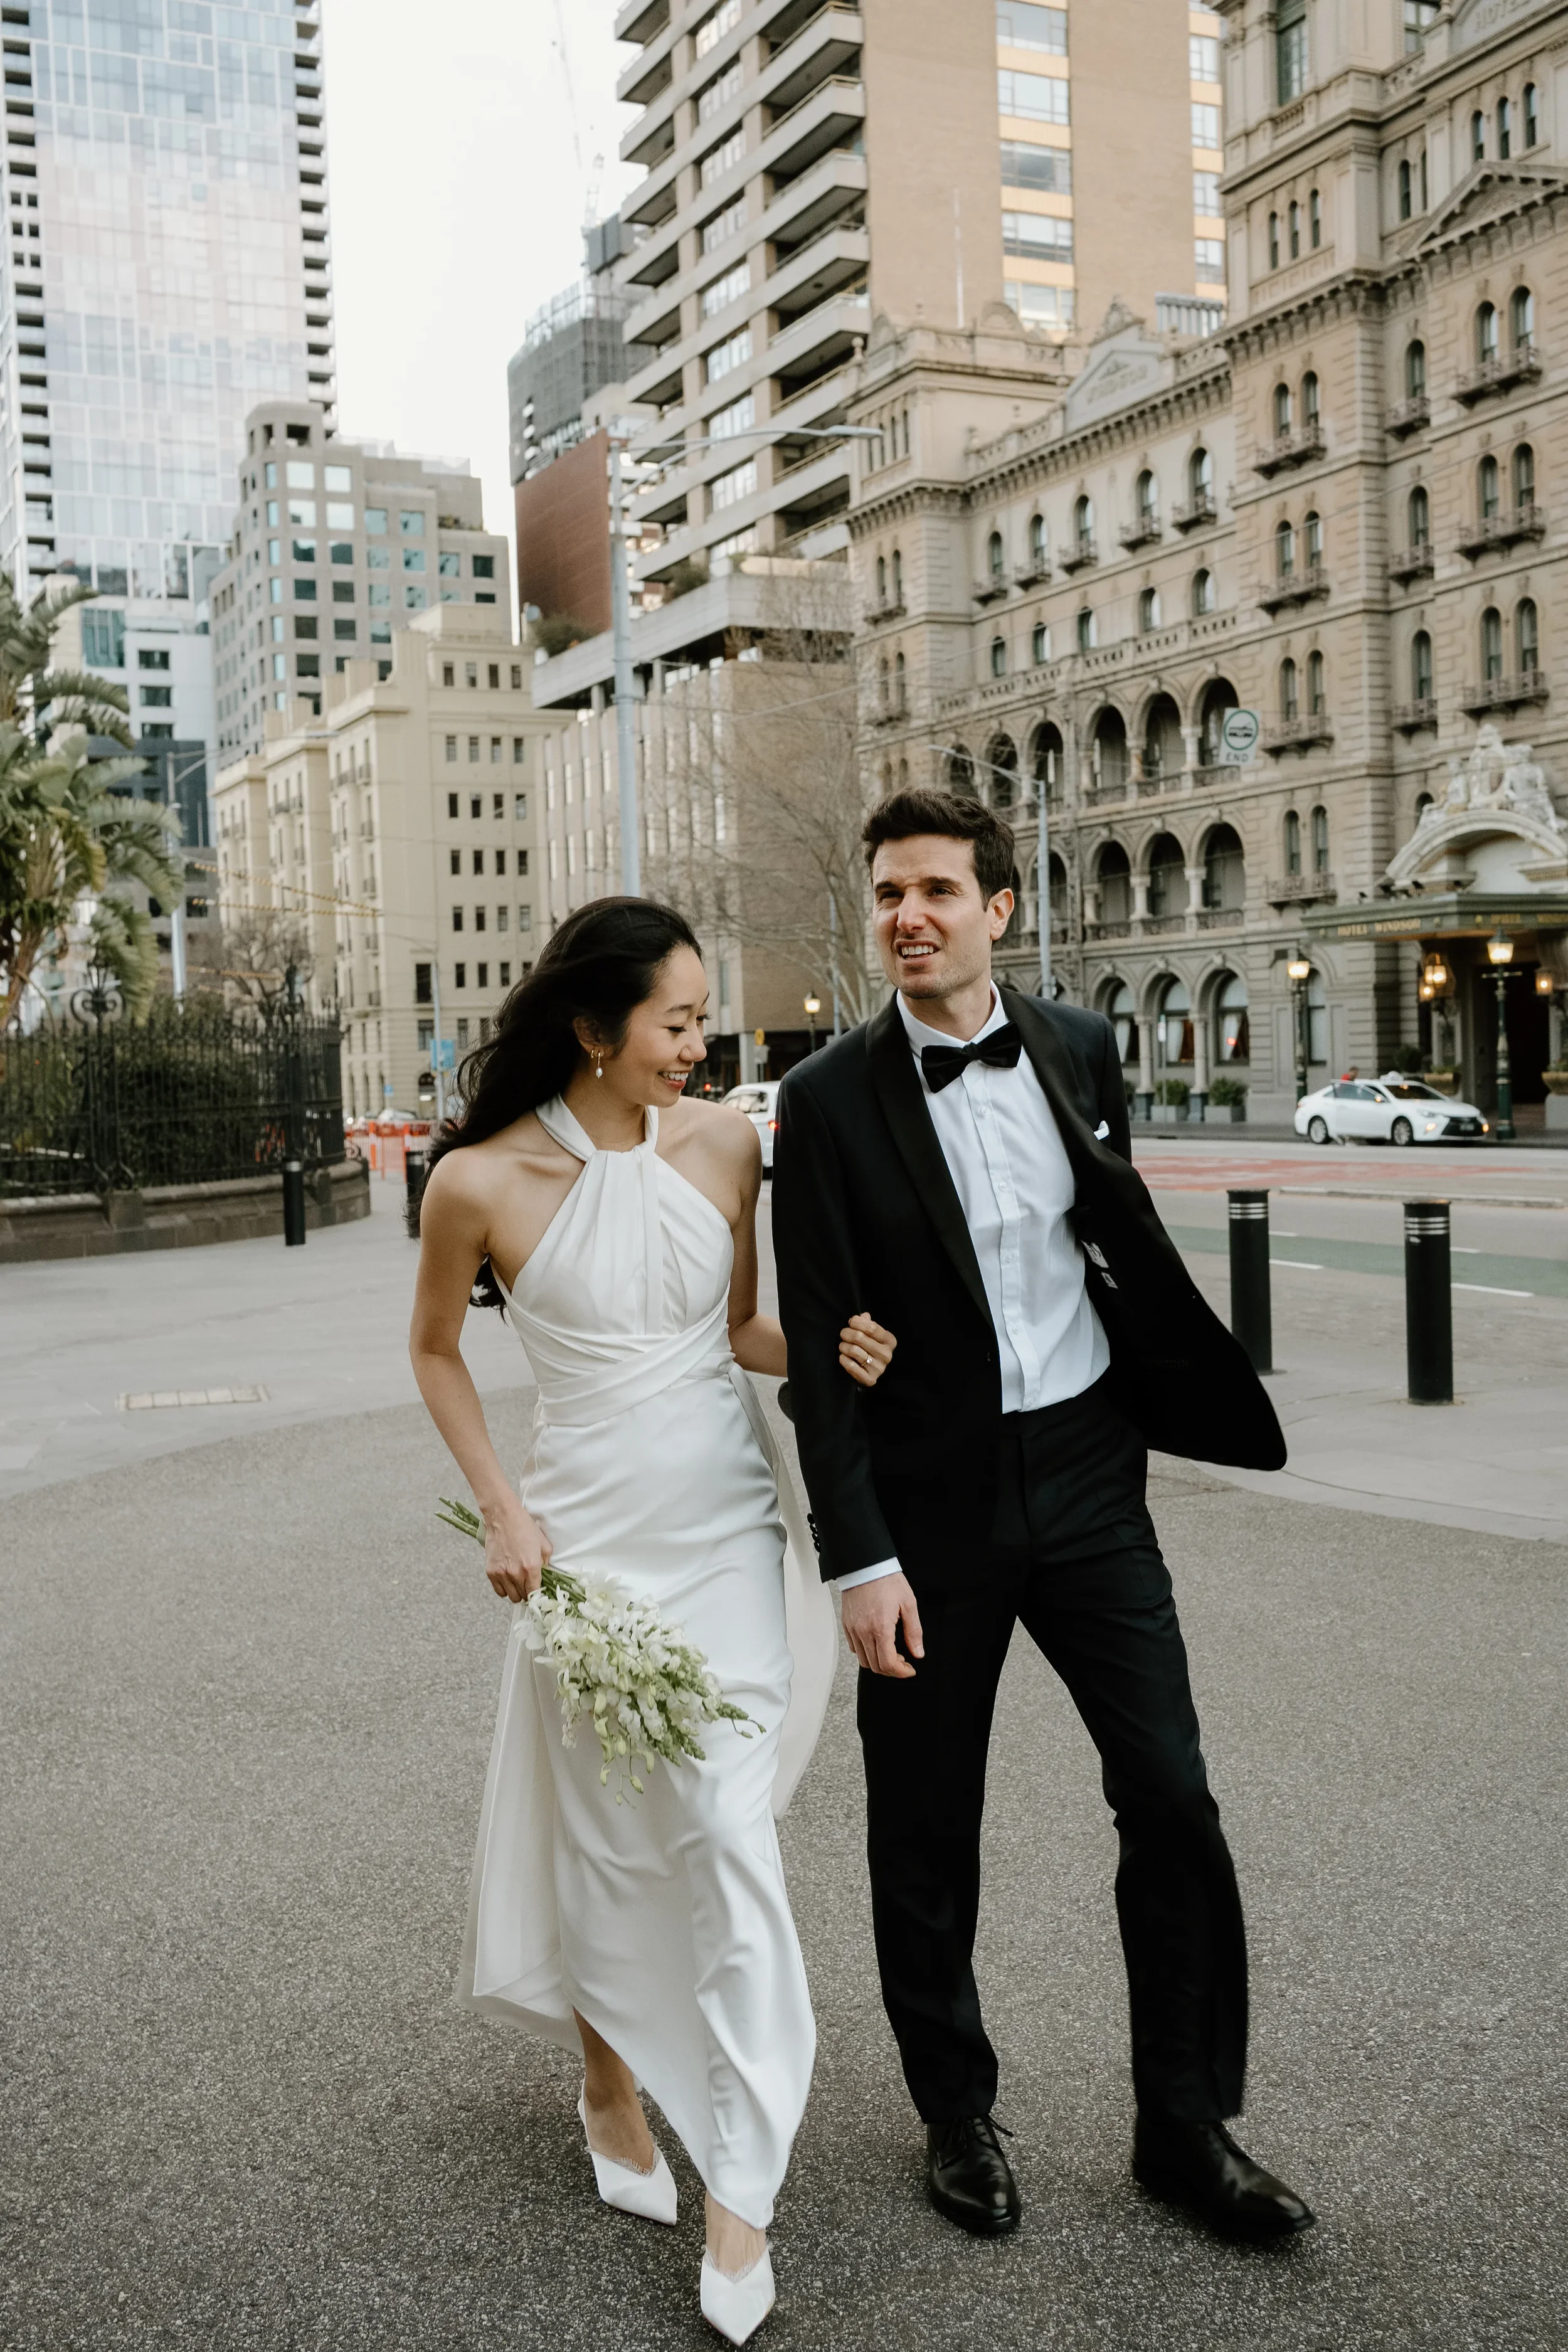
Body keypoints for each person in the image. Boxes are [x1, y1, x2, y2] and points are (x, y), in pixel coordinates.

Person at [771, 788, 1315, 2245]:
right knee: (925, 1824)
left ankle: (1183, 2129)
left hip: (1087, 1478)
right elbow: (819, 1353)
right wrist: (860, 1555)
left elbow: (1103, 1239)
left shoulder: (1076, 1044)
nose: (908, 916)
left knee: (1171, 1794)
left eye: (937, 890)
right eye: (888, 891)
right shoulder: (822, 1104)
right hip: (928, 1509)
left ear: (997, 911)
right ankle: (954, 2113)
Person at [409, 898, 896, 2344]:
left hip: (729, 1535)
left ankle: (742, 2193)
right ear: (593, 1028)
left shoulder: (730, 1145)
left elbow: (737, 1330)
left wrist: (833, 1346)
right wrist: (501, 1505)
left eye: (702, 1019)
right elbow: (435, 1351)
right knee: (615, 1835)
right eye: (677, 1023)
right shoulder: (476, 1184)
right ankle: (609, 2081)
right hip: (591, 1550)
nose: (701, 1046)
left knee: (728, 1838)